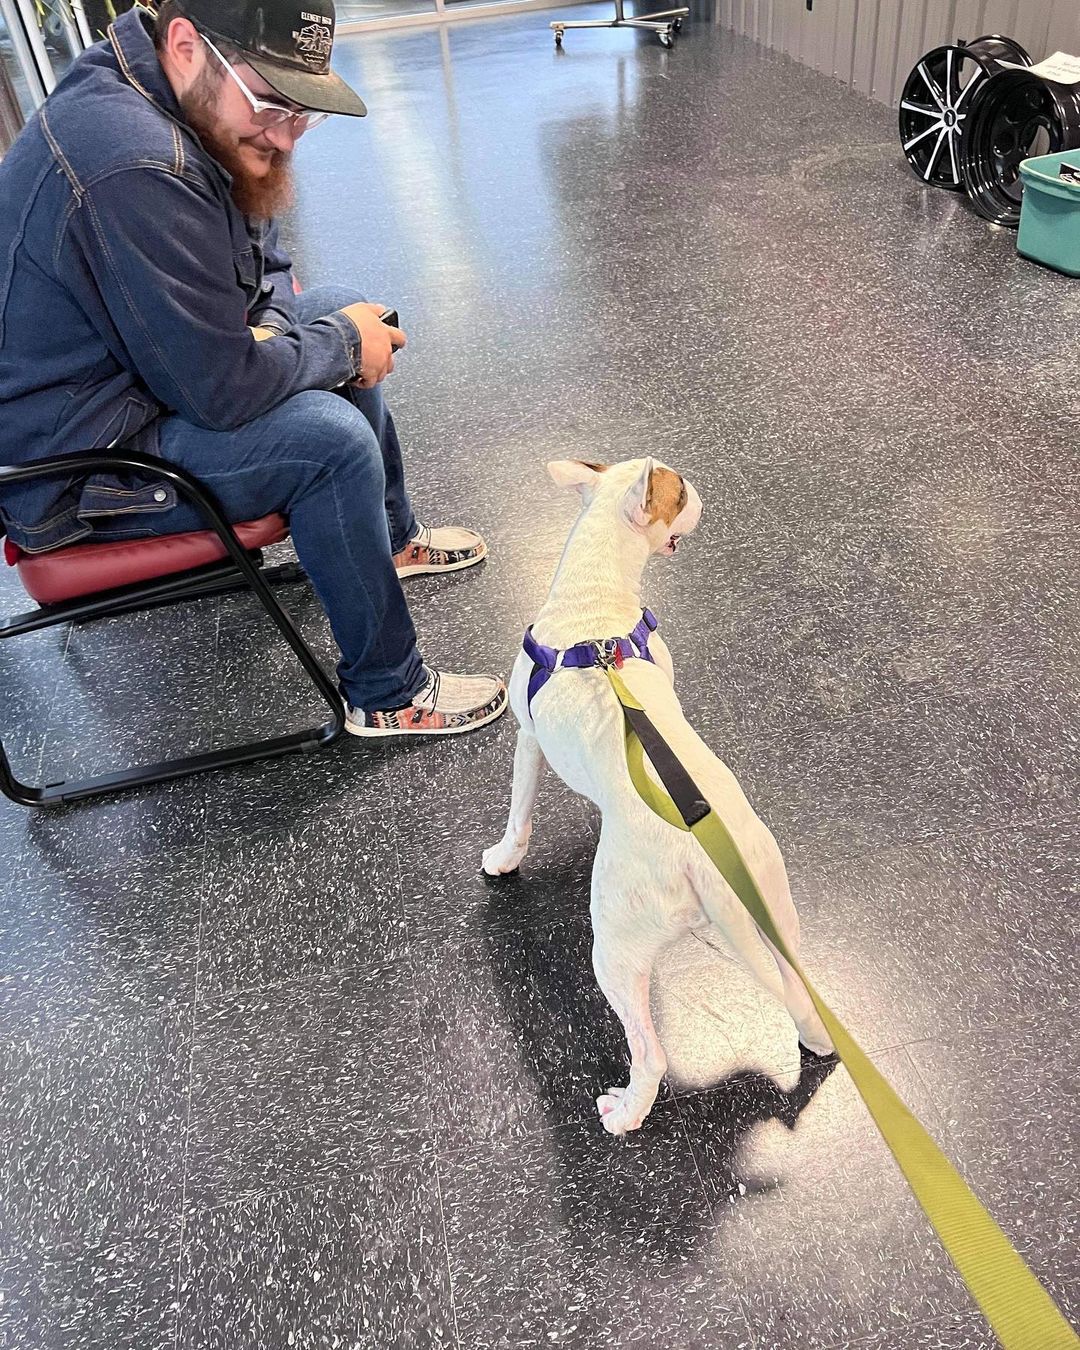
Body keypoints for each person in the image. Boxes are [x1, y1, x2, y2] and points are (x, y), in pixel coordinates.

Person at [0, 0, 507, 738]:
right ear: (184, 43)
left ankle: (387, 540)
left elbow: (260, 266)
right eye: (271, 103)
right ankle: (389, 694)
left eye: (302, 110)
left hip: (133, 390)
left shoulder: (181, 103)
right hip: (78, 472)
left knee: (336, 308)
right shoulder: (133, 161)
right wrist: (327, 348)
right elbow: (218, 390)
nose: (286, 135)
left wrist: (286, 334)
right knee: (328, 440)